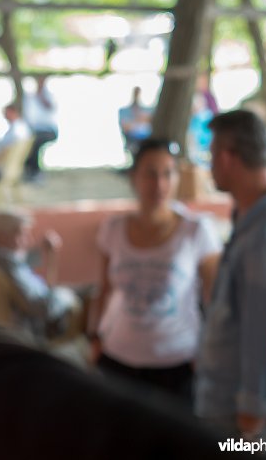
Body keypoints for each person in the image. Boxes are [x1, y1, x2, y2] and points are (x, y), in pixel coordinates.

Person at [90, 138, 222, 405]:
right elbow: (104, 289)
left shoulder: (196, 230)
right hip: (117, 357)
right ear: (134, 177)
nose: (159, 184)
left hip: (177, 362)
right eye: (150, 173)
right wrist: (94, 338)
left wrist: (211, 354)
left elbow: (215, 300)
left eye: (167, 173)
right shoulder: (113, 229)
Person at [195, 110, 266, 442]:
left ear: (226, 158)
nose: (209, 166)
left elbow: (265, 335)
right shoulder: (251, 220)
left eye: (211, 156)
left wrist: (250, 430)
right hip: (226, 410)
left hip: (244, 423)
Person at [0, 211, 80, 342]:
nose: (28, 240)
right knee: (82, 295)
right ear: (2, 237)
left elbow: (20, 264)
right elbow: (41, 308)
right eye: (22, 234)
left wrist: (41, 251)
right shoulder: (9, 264)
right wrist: (66, 295)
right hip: (27, 331)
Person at [22, 75, 58, 181]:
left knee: (35, 141)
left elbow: (50, 107)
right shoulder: (29, 96)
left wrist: (41, 96)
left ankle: (35, 170)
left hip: (48, 129)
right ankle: (29, 169)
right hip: (33, 129)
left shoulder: (49, 95)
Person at [118, 86, 153, 156]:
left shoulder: (147, 111)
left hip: (146, 141)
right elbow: (126, 127)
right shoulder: (124, 111)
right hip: (132, 141)